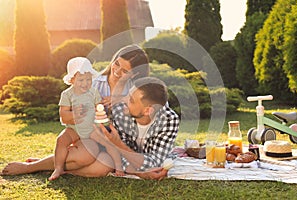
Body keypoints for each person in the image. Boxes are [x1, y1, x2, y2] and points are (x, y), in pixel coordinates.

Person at [1, 46, 176, 180]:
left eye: (124, 71)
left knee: (101, 169)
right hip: (90, 133)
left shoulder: (139, 88)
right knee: (84, 155)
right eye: (116, 64)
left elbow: (158, 107)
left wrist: (122, 99)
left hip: (117, 142)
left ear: (135, 73)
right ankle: (32, 166)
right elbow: (70, 107)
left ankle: (56, 165)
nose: (116, 71)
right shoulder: (92, 81)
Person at [48, 57, 124, 181]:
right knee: (61, 140)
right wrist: (74, 115)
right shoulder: (67, 95)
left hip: (91, 128)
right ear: (72, 80)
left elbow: (99, 108)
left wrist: (101, 114)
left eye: (88, 79)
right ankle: (58, 167)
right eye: (81, 80)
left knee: (108, 141)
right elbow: (63, 115)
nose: (85, 83)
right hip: (74, 128)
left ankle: (119, 166)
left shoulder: (93, 92)